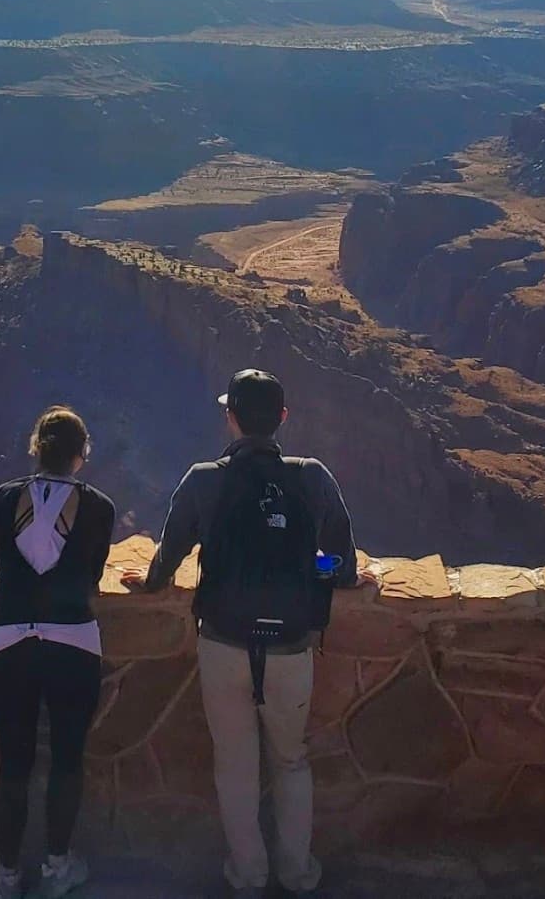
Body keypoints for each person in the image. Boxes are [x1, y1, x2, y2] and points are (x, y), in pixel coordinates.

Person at [120, 369, 372, 897]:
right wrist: (334, 576)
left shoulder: (203, 479)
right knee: (291, 760)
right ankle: (298, 875)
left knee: (234, 766)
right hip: (291, 647)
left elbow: (169, 557)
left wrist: (149, 583)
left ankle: (249, 876)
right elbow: (339, 560)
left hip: (224, 641)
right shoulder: (312, 476)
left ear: (231, 418)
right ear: (281, 418)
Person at [0, 405, 115, 899]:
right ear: (82, 454)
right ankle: (58, 866)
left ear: (36, 447)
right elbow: (93, 571)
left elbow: (5, 550)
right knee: (66, 757)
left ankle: (7, 874)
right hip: (72, 638)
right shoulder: (99, 505)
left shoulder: (4, 497)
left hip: (5, 637)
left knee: (14, 761)